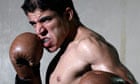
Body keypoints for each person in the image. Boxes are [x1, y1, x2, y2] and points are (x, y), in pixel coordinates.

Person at [12, 0, 138, 84]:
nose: (39, 30)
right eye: (34, 24)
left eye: (46, 20)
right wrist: (26, 76)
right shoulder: (66, 48)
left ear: (67, 15)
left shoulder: (89, 46)